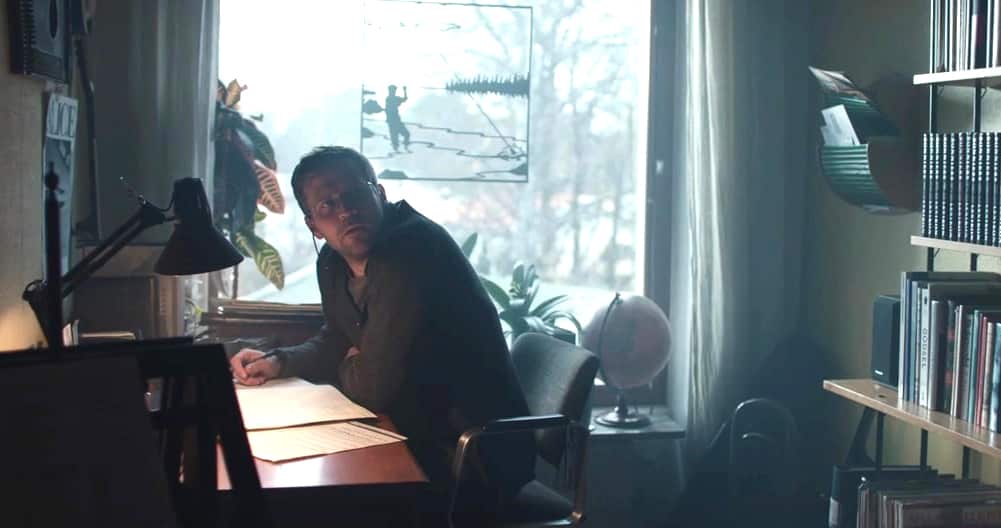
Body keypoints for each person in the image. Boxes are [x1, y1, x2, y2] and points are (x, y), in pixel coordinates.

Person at [229, 146, 534, 520]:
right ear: (313, 225)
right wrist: (277, 362)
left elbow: (376, 387)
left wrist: (354, 364)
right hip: (412, 427)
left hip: (470, 451)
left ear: (380, 193)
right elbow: (337, 339)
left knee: (327, 506)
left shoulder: (410, 252)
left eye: (355, 194)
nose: (345, 210)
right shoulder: (333, 262)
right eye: (327, 205)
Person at [384, 84, 410, 152]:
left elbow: (405, 99)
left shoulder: (394, 98)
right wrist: (404, 90)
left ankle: (405, 146)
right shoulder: (389, 99)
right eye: (392, 90)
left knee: (405, 134)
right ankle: (397, 148)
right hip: (393, 121)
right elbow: (404, 99)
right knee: (395, 136)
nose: (393, 92)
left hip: (396, 120)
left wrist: (405, 90)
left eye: (394, 90)